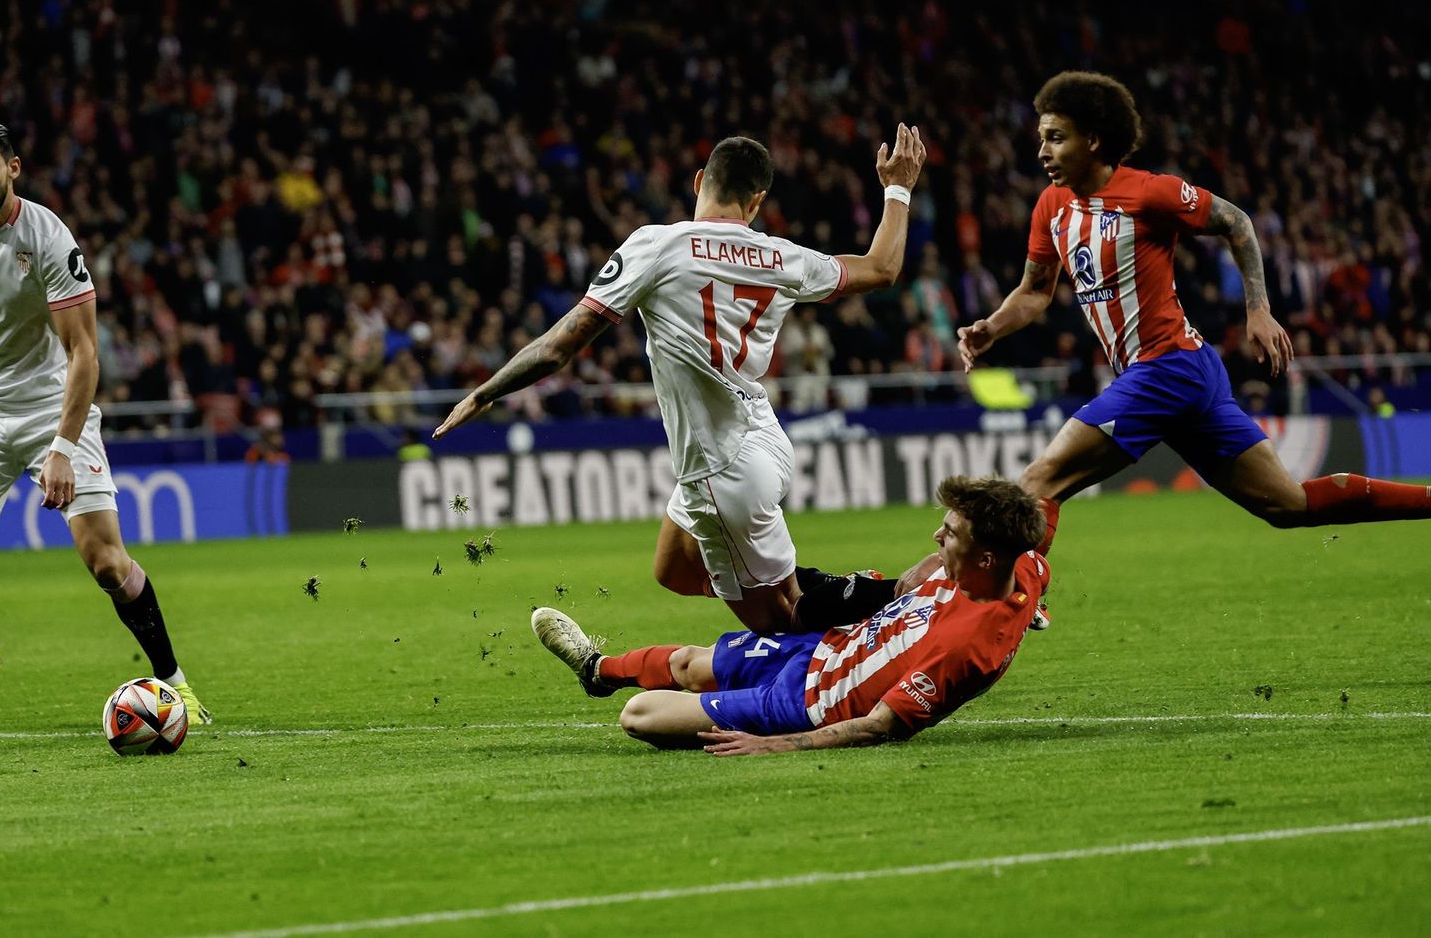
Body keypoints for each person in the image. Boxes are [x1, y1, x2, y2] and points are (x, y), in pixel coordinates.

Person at [436, 128, 927, 633]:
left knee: (785, 626)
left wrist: (484, 391)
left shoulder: (658, 245)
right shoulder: (784, 257)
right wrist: (898, 188)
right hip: (763, 437)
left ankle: (892, 611)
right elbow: (881, 269)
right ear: (757, 201)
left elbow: (559, 347)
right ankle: (832, 589)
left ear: (698, 182)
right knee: (672, 568)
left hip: (719, 465)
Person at [957, 72, 1430, 529]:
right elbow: (1036, 291)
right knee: (1289, 505)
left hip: (1168, 367)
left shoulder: (1150, 193)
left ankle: (1017, 607)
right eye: (1042, 138)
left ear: (1094, 140)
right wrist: (992, 327)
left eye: (1056, 138)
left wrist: (1258, 309)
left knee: (1039, 481)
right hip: (1180, 374)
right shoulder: (1051, 206)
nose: (1042, 152)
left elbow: (1237, 223)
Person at [0, 116, 211, 724]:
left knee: (107, 562)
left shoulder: (48, 238)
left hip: (52, 407)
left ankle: (175, 684)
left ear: (12, 169)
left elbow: (84, 354)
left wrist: (62, 447)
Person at [530, 476, 1050, 754]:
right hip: (826, 648)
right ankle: (595, 670)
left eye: (951, 534)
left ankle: (711, 706)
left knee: (640, 715)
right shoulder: (1022, 563)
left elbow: (880, 726)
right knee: (690, 661)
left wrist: (774, 746)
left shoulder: (967, 649)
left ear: (985, 558)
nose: (937, 538)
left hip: (806, 705)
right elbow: (1034, 521)